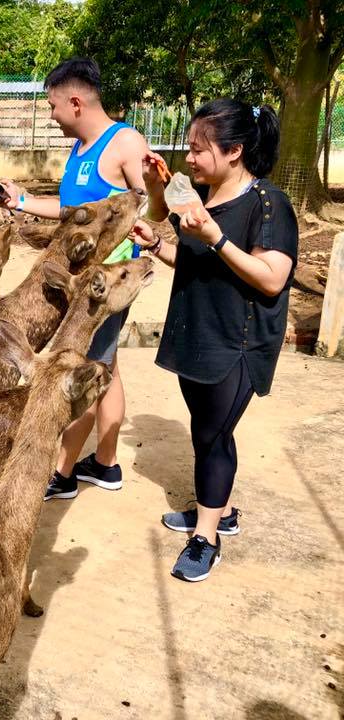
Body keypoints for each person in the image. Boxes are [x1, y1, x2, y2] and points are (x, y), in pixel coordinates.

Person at [130, 99, 296, 582]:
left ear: (235, 152)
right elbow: (198, 265)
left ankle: (206, 537)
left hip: (237, 343)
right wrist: (158, 243)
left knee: (212, 434)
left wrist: (218, 237)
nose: (190, 158)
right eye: (189, 147)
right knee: (207, 429)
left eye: (200, 150)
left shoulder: (269, 205)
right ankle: (217, 508)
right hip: (197, 334)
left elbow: (270, 279)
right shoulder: (202, 202)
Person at [0, 57, 154, 501]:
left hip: (103, 288)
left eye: (52, 106)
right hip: (79, 281)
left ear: (74, 102)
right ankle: (105, 464)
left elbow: (150, 210)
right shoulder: (81, 149)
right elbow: (74, 214)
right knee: (107, 368)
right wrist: (24, 200)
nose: (51, 115)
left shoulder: (125, 143)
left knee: (84, 369)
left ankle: (64, 471)